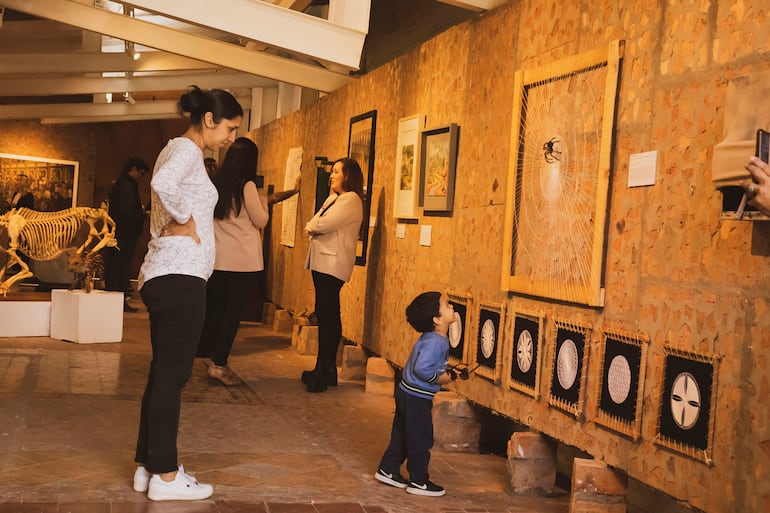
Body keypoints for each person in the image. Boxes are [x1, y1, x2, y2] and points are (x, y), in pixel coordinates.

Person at [131, 85, 242, 502]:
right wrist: (184, 218)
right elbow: (162, 183)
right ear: (209, 120)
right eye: (229, 128)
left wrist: (181, 218)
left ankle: (148, 466)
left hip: (171, 275)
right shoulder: (187, 150)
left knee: (165, 374)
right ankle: (164, 475)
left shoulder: (176, 149)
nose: (231, 137)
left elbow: (162, 183)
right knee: (172, 377)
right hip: (179, 276)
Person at [196, 137, 300, 385]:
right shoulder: (247, 185)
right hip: (241, 262)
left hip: (217, 260)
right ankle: (220, 365)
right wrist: (263, 200)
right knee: (232, 315)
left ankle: (212, 357)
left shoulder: (217, 185)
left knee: (217, 312)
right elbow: (261, 220)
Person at [374, 291, 458, 497]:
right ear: (437, 319)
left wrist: (449, 373)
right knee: (420, 438)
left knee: (402, 433)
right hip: (417, 398)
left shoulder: (430, 337)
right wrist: (442, 378)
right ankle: (418, 480)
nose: (452, 307)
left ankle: (388, 468)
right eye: (446, 305)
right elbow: (423, 369)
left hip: (406, 392)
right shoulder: (437, 341)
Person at [300, 157, 363, 393]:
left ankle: (325, 368)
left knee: (328, 315)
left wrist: (313, 225)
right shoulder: (333, 199)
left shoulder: (351, 200)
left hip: (332, 265)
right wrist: (313, 224)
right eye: (333, 171)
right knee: (324, 314)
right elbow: (316, 220)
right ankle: (324, 368)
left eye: (337, 171)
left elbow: (320, 225)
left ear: (349, 176)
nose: (332, 175)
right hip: (321, 263)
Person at [105, 157, 150, 312]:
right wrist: (144, 214)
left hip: (119, 232)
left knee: (116, 267)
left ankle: (114, 300)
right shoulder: (126, 185)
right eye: (141, 174)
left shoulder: (122, 184)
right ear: (134, 170)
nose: (142, 178)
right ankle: (118, 301)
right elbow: (128, 210)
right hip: (125, 233)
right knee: (120, 268)